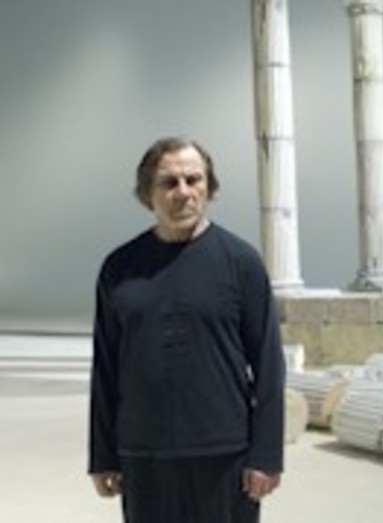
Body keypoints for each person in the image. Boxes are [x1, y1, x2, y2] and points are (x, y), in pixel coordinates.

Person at [88, 137, 285, 523]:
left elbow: (268, 365)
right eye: (169, 182)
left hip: (225, 455)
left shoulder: (241, 262)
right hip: (144, 456)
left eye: (194, 180)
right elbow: (106, 369)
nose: (183, 192)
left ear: (208, 187)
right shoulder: (119, 268)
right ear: (147, 194)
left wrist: (266, 455)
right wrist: (102, 455)